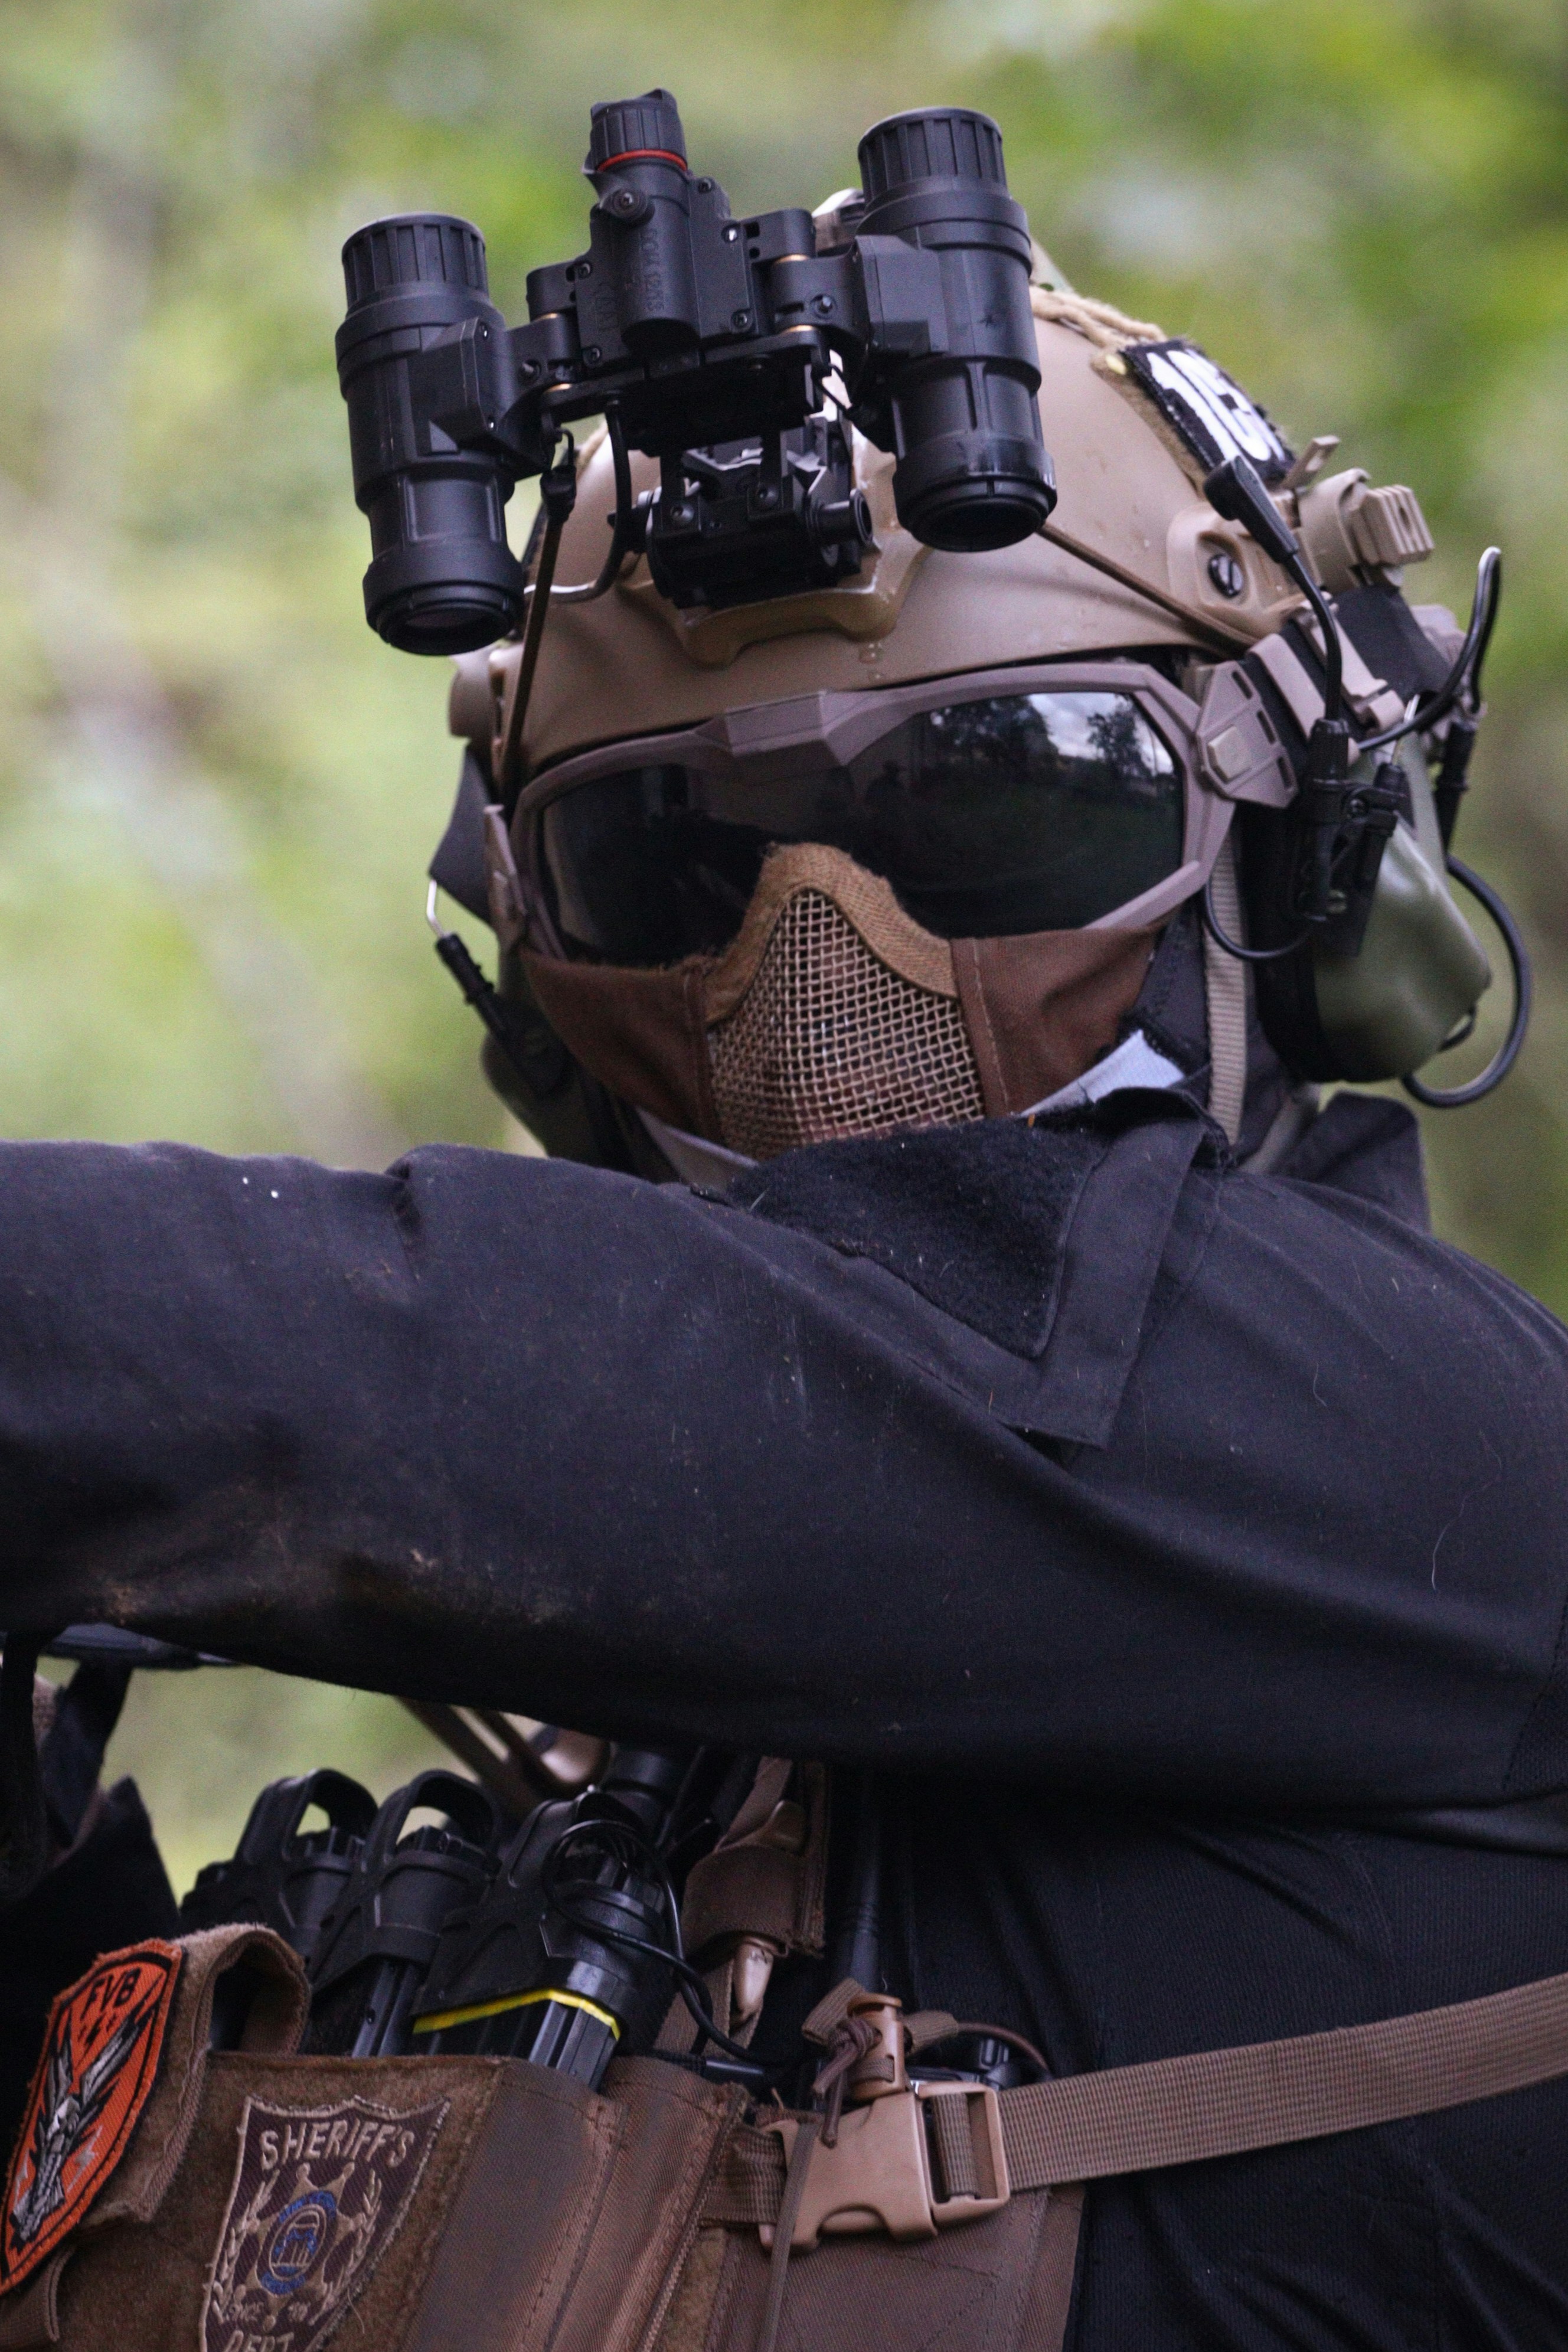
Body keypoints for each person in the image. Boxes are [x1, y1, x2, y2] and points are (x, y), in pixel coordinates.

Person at [1, 204, 1566, 2348]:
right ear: (537, 968)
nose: (812, 972)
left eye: (998, 804)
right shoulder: (637, 1733)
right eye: (670, 865)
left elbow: (374, 1363)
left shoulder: (1437, 1466)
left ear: (1302, 858)